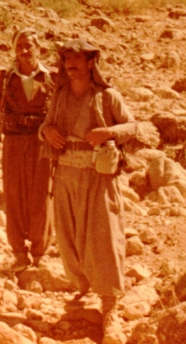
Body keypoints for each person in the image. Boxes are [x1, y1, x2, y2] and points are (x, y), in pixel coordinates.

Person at [39, 39, 136, 344]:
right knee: (69, 237)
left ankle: (109, 308)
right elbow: (47, 125)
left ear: (91, 62)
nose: (70, 65)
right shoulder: (60, 96)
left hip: (98, 176)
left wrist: (109, 132)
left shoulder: (107, 96)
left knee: (104, 237)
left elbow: (132, 127)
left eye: (77, 59)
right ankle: (82, 287)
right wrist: (46, 131)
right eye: (66, 59)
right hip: (66, 173)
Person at [0, 28, 56, 272]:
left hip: (41, 144)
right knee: (14, 195)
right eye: (20, 47)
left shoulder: (51, 78)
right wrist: (9, 126)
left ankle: (39, 251)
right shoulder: (6, 78)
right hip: (14, 143)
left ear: (38, 47)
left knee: (41, 195)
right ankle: (18, 251)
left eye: (29, 46)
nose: (25, 51)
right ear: (14, 50)